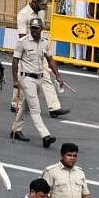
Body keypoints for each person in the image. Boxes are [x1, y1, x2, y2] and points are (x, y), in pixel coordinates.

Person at [10, 0, 69, 118]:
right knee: (23, 77)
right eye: (43, 5)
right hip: (26, 51)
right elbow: (22, 37)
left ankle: (54, 108)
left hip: (39, 48)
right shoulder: (23, 14)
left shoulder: (40, 12)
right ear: (35, 2)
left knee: (46, 77)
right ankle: (16, 103)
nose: (44, 8)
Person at [12, 17, 68, 148]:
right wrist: (15, 80)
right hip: (27, 79)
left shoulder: (44, 43)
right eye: (32, 28)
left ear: (41, 29)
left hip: (39, 78)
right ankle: (45, 135)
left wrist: (58, 76)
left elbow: (50, 60)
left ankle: (16, 129)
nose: (33, 31)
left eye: (36, 28)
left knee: (26, 104)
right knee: (35, 108)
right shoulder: (22, 42)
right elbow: (15, 62)